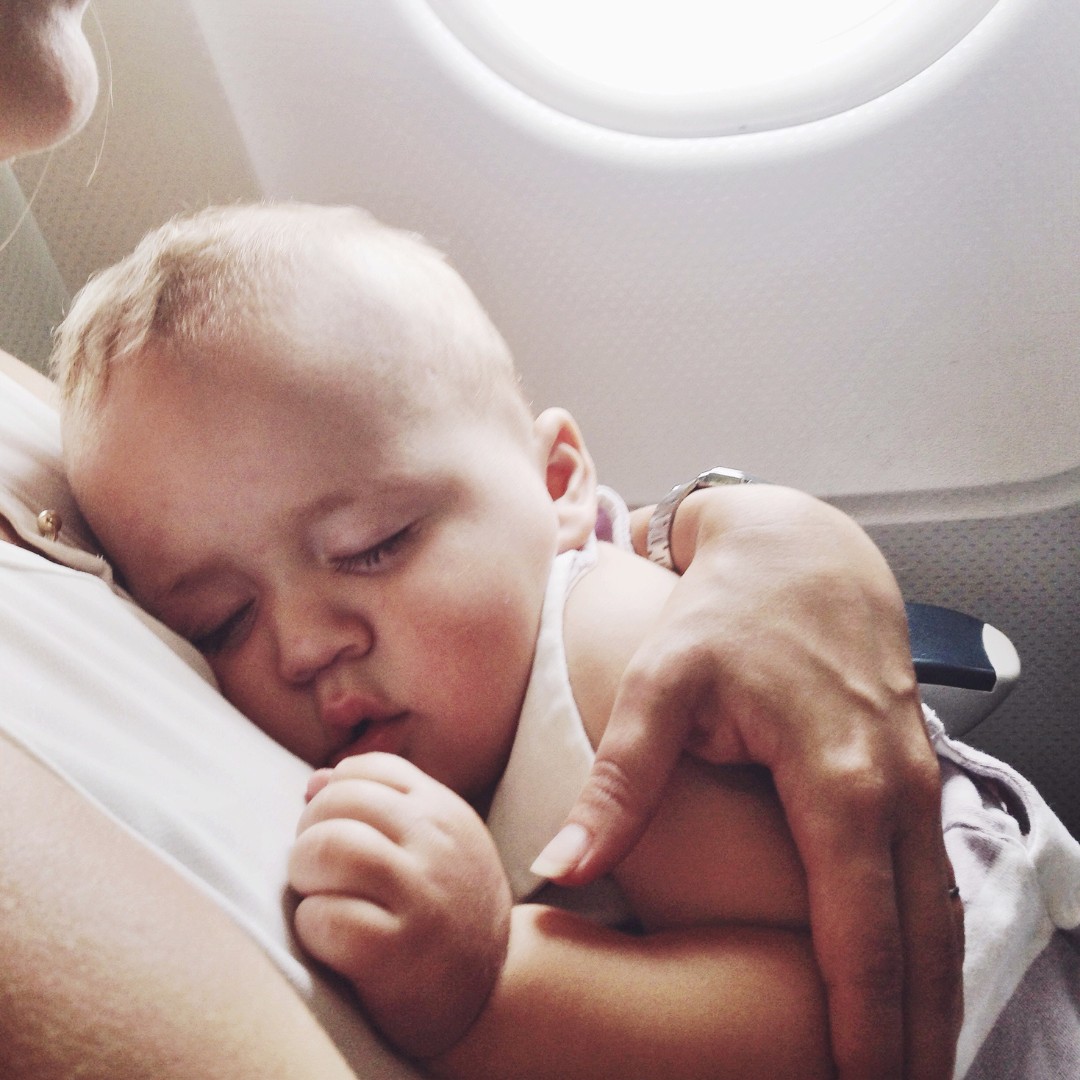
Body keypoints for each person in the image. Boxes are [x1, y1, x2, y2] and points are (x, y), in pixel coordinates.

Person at [0, 2, 964, 1077]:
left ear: (557, 489)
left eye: (372, 546)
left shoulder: (613, 663)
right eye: (219, 622)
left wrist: (495, 985)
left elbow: (833, 1023)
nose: (306, 644)